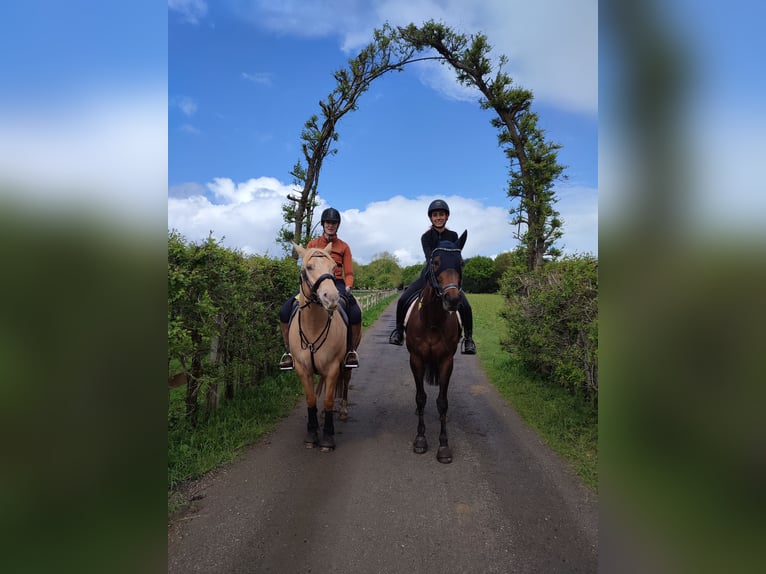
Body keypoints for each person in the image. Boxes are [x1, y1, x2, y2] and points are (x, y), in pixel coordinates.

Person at [388, 199, 476, 354]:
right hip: (429, 276)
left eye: (441, 214)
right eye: (435, 215)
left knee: (466, 306)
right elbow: (430, 258)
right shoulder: (426, 237)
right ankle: (398, 331)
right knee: (403, 299)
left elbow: (455, 258)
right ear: (431, 218)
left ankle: (468, 339)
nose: (438, 217)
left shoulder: (453, 235)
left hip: (448, 279)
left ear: (447, 216)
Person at [278, 207, 362, 369]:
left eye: (334, 223)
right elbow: (306, 268)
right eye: (328, 222)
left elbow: (349, 272)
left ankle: (351, 350)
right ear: (323, 224)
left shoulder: (344, 247)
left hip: (335, 282)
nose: (330, 225)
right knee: (284, 310)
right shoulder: (313, 244)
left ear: (338, 225)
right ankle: (289, 352)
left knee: (355, 312)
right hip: (313, 284)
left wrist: (348, 286)